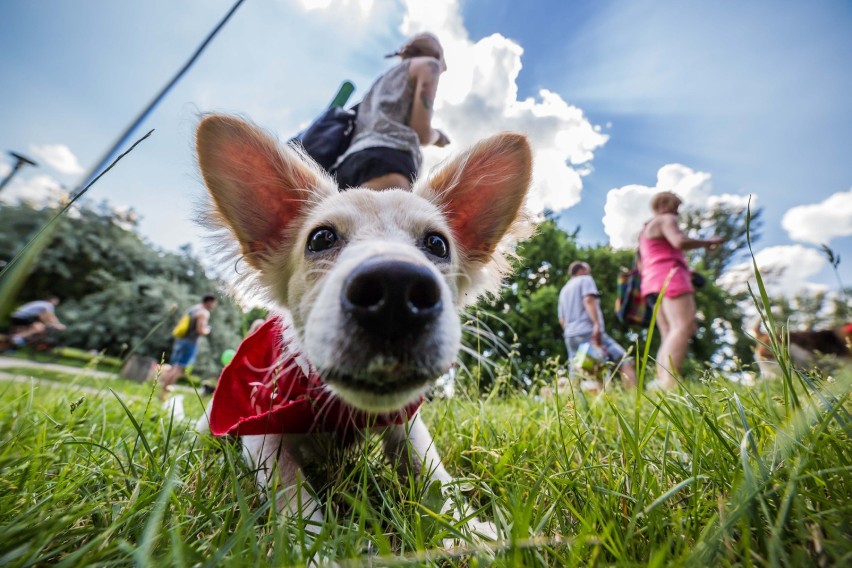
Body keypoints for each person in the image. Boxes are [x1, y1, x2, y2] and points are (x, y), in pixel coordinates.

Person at [334, 32, 450, 191]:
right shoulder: (429, 66)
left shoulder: (382, 81)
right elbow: (422, 133)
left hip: (347, 165)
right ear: (438, 55)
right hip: (388, 161)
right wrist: (438, 136)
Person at [639, 191, 723, 389]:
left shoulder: (645, 232)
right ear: (664, 205)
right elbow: (679, 242)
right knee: (684, 326)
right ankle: (668, 382)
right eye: (676, 207)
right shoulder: (666, 219)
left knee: (669, 332)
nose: (677, 213)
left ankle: (661, 381)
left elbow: (646, 262)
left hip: (651, 283)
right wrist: (708, 242)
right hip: (670, 276)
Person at [558, 261, 637, 389]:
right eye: (588, 270)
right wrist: (596, 324)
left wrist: (570, 330)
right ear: (581, 270)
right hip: (588, 331)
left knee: (577, 371)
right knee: (625, 361)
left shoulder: (564, 290)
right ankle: (634, 397)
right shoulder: (585, 279)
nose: (590, 273)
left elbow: (562, 319)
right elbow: (588, 300)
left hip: (570, 336)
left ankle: (570, 403)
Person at [159, 294, 217, 400]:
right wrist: (207, 330)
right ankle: (165, 394)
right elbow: (200, 330)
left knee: (173, 367)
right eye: (214, 303)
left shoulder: (192, 309)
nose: (214, 305)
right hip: (190, 342)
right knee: (179, 368)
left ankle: (162, 392)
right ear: (209, 302)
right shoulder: (204, 312)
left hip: (180, 340)